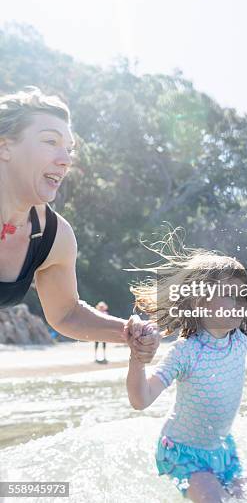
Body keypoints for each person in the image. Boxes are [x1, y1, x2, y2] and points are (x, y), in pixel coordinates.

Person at [0, 87, 158, 361]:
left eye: (70, 150)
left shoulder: (53, 237)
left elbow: (66, 314)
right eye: (50, 141)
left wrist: (127, 331)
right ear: (4, 147)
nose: (66, 160)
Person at [126, 247, 247, 502]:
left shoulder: (240, 340)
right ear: (199, 301)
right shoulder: (186, 351)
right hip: (183, 452)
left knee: (245, 499)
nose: (239, 303)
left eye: (242, 296)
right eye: (229, 295)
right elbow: (141, 400)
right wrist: (137, 359)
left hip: (222, 449)